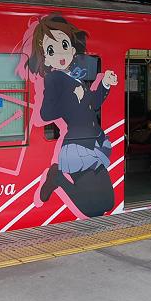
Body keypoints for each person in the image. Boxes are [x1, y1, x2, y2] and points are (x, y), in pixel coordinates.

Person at [26, 13, 118, 218]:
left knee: (108, 202)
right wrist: (71, 99)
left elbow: (92, 105)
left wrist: (105, 84)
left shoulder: (75, 78)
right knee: (94, 209)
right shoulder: (54, 78)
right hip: (77, 145)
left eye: (64, 45)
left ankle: (57, 178)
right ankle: (57, 178)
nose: (59, 53)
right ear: (45, 57)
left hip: (94, 140)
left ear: (73, 50)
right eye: (51, 50)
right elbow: (46, 113)